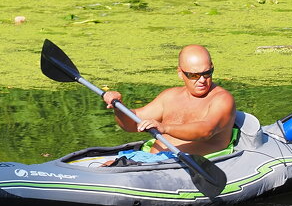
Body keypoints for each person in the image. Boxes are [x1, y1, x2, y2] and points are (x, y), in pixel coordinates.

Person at [101, 45, 236, 158]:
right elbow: (132, 125)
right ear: (180, 73)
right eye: (194, 75)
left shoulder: (222, 99)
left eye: (207, 73)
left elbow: (206, 130)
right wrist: (118, 107)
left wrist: (165, 128)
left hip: (192, 168)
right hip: (152, 161)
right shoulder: (170, 96)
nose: (202, 80)